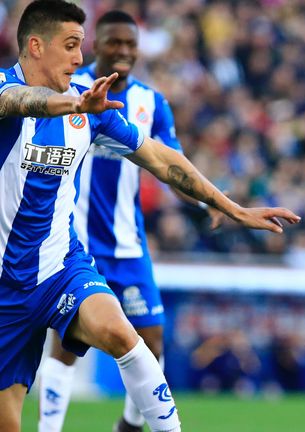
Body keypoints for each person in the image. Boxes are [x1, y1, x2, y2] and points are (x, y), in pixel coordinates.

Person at [0, 2, 299, 432]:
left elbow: (160, 158)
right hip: (5, 289)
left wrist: (230, 207)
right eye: (70, 46)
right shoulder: (9, 91)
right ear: (35, 45)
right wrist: (66, 107)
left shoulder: (93, 111)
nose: (79, 58)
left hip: (59, 269)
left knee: (127, 337)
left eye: (80, 47)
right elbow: (17, 100)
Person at [36, 10, 222, 432]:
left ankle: (129, 425)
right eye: (114, 42)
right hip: (75, 244)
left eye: (131, 44)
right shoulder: (69, 92)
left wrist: (203, 203)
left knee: (151, 343)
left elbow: (167, 163)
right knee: (65, 346)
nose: (123, 51)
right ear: (95, 45)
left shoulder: (151, 102)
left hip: (128, 247)